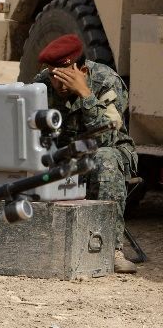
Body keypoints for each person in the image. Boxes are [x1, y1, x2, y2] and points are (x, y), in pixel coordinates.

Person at [33, 34, 138, 274]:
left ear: (80, 69)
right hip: (63, 152)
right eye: (53, 75)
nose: (58, 84)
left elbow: (108, 137)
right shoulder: (42, 84)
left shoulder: (105, 81)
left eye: (65, 76)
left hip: (107, 151)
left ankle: (112, 249)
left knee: (105, 158)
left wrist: (85, 94)